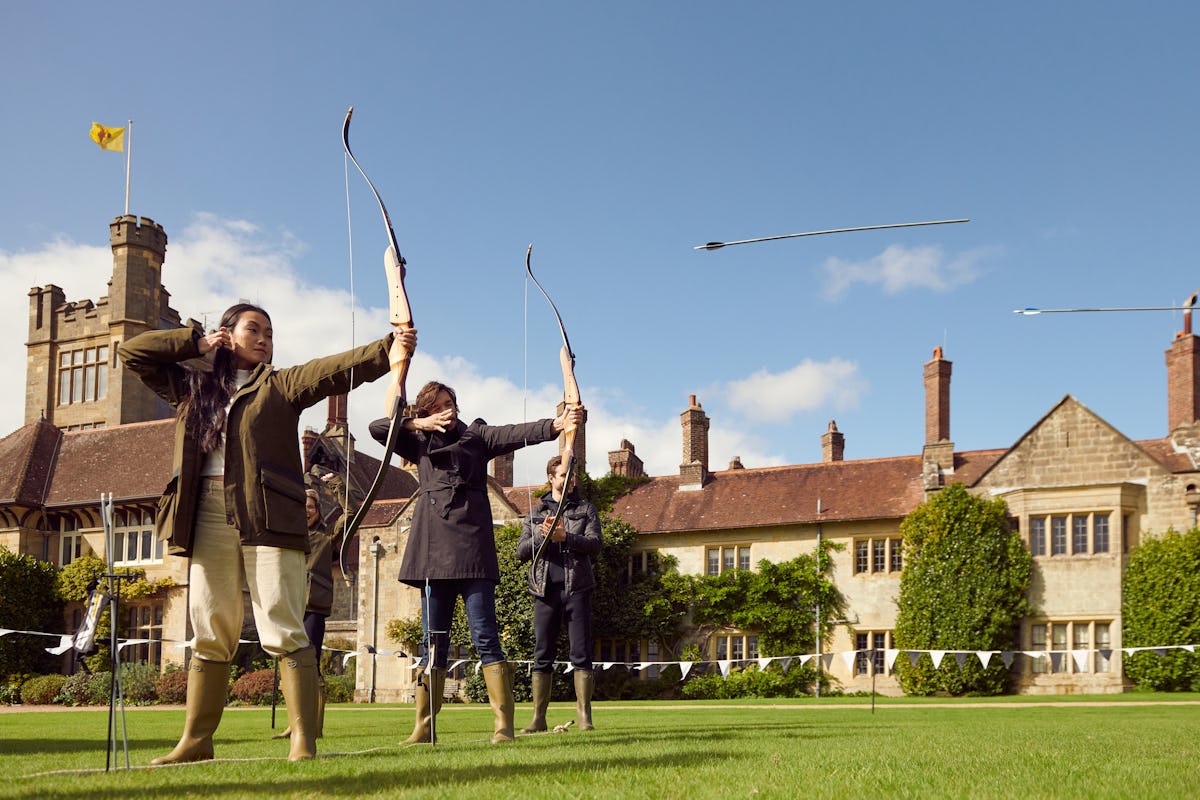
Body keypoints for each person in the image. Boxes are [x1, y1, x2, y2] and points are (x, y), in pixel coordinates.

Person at [119, 303, 415, 763]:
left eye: (269, 333)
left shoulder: (280, 385)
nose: (263, 339)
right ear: (225, 334)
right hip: (206, 512)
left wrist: (388, 347)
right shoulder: (192, 385)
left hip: (269, 514)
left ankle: (303, 740)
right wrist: (194, 343)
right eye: (252, 330)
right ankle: (196, 741)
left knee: (281, 620)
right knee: (211, 623)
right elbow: (132, 353)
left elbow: (333, 371)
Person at [369, 381, 584, 745]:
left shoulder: (476, 436)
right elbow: (377, 428)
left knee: (485, 636)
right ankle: (424, 727)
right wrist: (416, 425)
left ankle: (503, 726)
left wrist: (557, 424)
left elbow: (515, 433)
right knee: (432, 641)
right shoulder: (417, 441)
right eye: (437, 406)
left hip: (472, 549)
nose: (447, 410)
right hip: (432, 551)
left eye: (450, 403)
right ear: (424, 412)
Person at [516, 455, 602, 732]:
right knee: (542, 654)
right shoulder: (535, 514)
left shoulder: (586, 510)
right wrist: (544, 535)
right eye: (563, 475)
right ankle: (538, 718)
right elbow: (520, 552)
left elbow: (595, 544)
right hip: (544, 591)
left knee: (582, 654)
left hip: (577, 589)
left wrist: (566, 538)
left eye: (572, 475)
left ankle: (585, 717)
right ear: (551, 478)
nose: (569, 479)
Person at [271, 488, 336, 741]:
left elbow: (352, 511)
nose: (306, 510)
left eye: (311, 506)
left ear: (318, 511)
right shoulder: (288, 534)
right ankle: (295, 725)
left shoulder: (327, 537)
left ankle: (314, 726)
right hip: (289, 604)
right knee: (289, 661)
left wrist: (338, 484)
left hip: (313, 606)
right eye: (302, 505)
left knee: (312, 665)